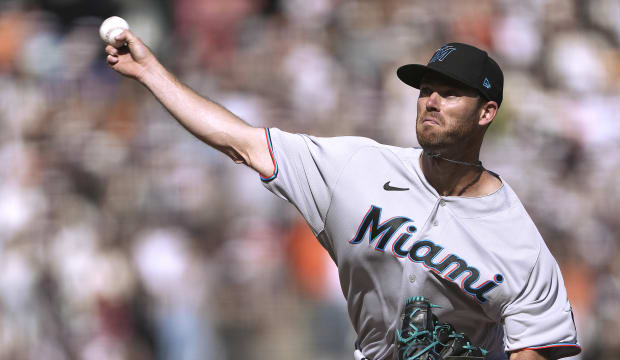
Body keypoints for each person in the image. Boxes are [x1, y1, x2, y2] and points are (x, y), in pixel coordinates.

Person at [105, 30, 581, 360]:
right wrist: (151, 74)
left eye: (450, 93)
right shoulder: (357, 167)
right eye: (426, 89)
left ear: (487, 112)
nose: (431, 101)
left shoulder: (519, 242)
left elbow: (534, 349)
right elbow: (242, 141)